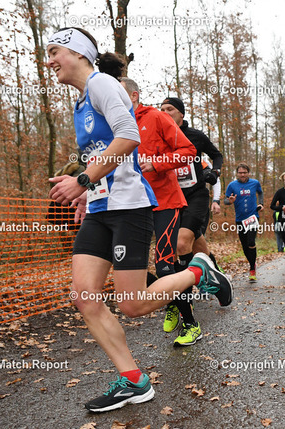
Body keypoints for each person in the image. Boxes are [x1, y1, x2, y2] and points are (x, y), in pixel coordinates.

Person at [45, 27, 232, 412]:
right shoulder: (81, 102)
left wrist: (82, 180)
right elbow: (100, 155)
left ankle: (199, 271)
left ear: (78, 53)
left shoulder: (102, 85)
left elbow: (128, 136)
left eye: (54, 51)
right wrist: (86, 194)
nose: (49, 61)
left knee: (131, 304)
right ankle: (133, 380)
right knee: (84, 296)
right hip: (100, 208)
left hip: (129, 206)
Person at [120, 79, 203, 347]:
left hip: (164, 200)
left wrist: (156, 163)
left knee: (165, 265)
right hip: (130, 204)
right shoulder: (113, 123)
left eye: (118, 92)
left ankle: (191, 324)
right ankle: (171, 296)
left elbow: (188, 150)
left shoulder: (156, 117)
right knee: (124, 264)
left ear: (134, 95)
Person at [160, 97, 224, 340]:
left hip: (196, 196)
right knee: (198, 247)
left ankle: (184, 299)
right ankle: (216, 275)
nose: (165, 112)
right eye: (161, 109)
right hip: (170, 198)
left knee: (181, 243)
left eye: (170, 109)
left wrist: (214, 172)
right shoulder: (159, 136)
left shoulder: (195, 136)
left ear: (181, 114)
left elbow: (216, 155)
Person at [224, 163, 263, 282]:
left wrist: (261, 203)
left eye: (244, 172)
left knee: (251, 242)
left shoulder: (255, 183)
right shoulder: (232, 185)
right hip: (240, 219)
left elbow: (260, 192)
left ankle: (252, 269)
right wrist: (230, 201)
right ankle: (252, 263)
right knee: (245, 245)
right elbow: (225, 200)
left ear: (248, 173)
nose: (242, 175)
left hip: (252, 217)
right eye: (240, 173)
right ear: (237, 173)